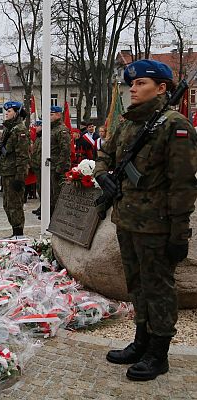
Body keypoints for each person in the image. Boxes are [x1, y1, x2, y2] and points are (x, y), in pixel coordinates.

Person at [94, 59, 197, 381]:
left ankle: (158, 352)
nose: (133, 89)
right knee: (137, 285)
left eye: (141, 84)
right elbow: (104, 156)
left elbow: (183, 186)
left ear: (161, 88)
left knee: (159, 288)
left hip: (157, 226)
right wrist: (102, 176)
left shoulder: (175, 126)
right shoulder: (126, 124)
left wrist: (180, 233)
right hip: (127, 220)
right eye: (132, 84)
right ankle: (141, 341)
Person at [0, 101, 29, 237]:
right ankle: (15, 232)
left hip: (14, 173)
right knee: (8, 204)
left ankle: (19, 234)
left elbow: (22, 155)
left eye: (9, 111)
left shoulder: (20, 130)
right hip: (6, 172)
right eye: (6, 111)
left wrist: (19, 177)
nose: (6, 113)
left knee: (15, 204)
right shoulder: (9, 129)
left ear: (16, 112)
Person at [49, 106, 72, 215]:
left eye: (51, 114)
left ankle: (61, 219)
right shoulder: (52, 129)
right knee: (52, 196)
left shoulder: (61, 130)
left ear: (58, 114)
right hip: (52, 167)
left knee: (59, 197)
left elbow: (65, 150)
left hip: (59, 169)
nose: (49, 116)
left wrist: (59, 169)